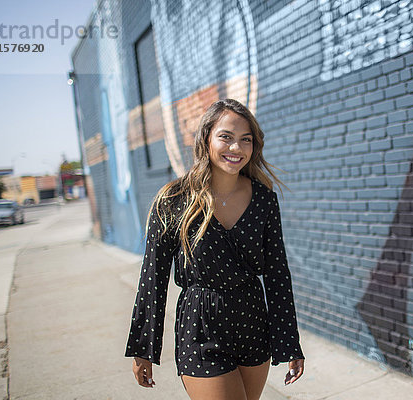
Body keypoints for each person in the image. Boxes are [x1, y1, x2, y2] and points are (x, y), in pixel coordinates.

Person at [124, 98, 305, 400]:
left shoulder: (264, 200)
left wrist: (288, 342)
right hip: (200, 324)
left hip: (252, 322)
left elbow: (277, 275)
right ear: (206, 138)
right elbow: (152, 277)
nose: (237, 148)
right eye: (226, 137)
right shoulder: (174, 200)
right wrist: (144, 348)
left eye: (245, 140)